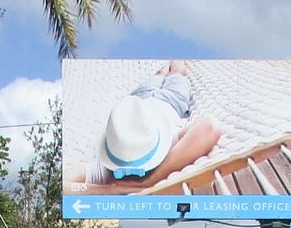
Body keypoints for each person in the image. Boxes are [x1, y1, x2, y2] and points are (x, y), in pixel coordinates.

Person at [71, 61, 220, 193]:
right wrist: (111, 189)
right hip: (172, 99)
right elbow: (210, 127)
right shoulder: (166, 146)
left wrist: (147, 181)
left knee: (162, 73)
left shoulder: (108, 167)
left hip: (138, 100)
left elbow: (66, 183)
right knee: (176, 72)